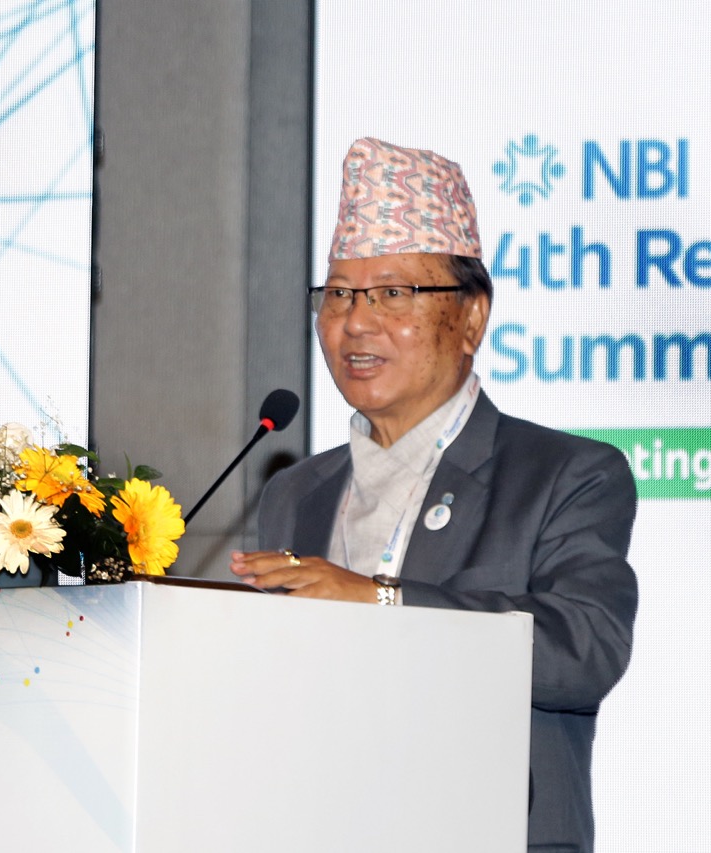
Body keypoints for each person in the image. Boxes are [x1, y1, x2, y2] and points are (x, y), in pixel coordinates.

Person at [230, 137, 637, 852]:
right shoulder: (296, 493)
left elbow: (584, 651)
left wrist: (381, 600)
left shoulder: (565, 474)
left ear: (472, 317)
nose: (356, 322)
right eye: (338, 294)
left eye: (394, 294)